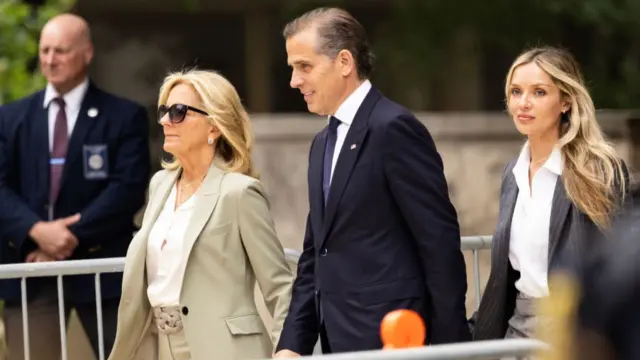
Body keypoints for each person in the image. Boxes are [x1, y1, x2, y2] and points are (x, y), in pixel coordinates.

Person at [275, 7, 470, 357]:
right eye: (292, 68)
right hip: (338, 340)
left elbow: (438, 243)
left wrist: (450, 349)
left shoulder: (393, 129)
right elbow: (315, 254)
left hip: (394, 341)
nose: (294, 81)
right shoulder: (323, 143)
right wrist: (292, 344)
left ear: (345, 62)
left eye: (304, 66)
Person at [107, 69, 294, 360]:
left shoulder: (239, 193)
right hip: (159, 346)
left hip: (225, 349)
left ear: (214, 127)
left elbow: (280, 288)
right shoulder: (160, 185)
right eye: (164, 110)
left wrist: (287, 350)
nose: (166, 120)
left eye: (179, 111)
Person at [0, 13, 150, 360]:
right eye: (45, 50)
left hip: (103, 273)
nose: (50, 59)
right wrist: (36, 230)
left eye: (62, 51)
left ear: (87, 53)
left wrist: (63, 238)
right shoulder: (9, 119)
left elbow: (127, 190)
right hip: (31, 272)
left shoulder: (123, 117)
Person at [470, 47, 628, 342]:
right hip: (518, 329)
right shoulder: (512, 174)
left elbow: (619, 270)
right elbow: (509, 277)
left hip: (575, 332)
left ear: (566, 101)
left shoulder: (599, 170)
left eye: (539, 92)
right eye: (516, 92)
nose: (523, 103)